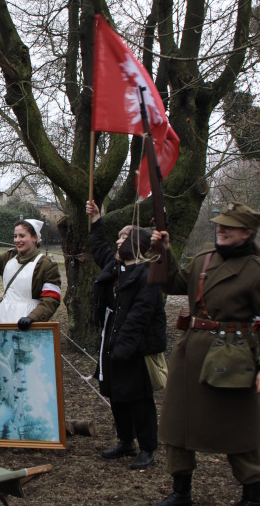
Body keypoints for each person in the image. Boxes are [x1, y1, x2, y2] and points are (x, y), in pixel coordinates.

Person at [150, 202, 260, 506]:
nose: (220, 229)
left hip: (232, 357)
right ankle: (181, 492)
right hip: (191, 354)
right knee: (178, 425)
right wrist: (165, 251)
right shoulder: (204, 258)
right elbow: (172, 283)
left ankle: (252, 496)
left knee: (240, 428)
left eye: (229, 226)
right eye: (220, 224)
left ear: (247, 233)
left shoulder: (258, 270)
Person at [86, 200, 166, 470]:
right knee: (116, 394)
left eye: (124, 238)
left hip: (136, 347)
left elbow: (140, 317)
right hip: (112, 340)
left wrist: (122, 348)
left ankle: (147, 448)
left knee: (138, 399)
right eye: (118, 237)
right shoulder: (115, 266)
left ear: (139, 245)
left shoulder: (146, 275)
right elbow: (98, 248)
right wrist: (97, 220)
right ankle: (126, 441)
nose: (118, 242)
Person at [0, 209, 61, 327]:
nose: (17, 240)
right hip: (4, 317)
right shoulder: (9, 258)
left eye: (22, 236)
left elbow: (51, 299)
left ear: (35, 238)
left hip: (29, 323)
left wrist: (33, 317)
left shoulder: (46, 265)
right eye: (15, 236)